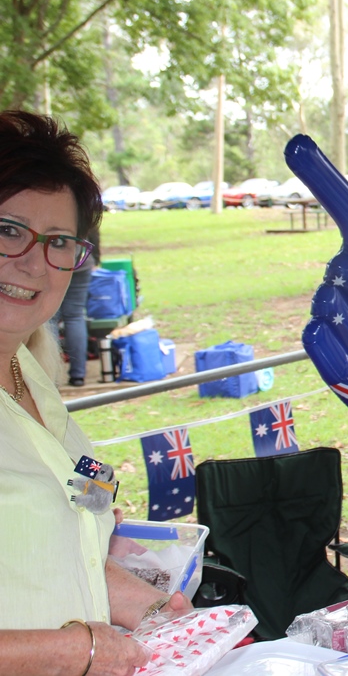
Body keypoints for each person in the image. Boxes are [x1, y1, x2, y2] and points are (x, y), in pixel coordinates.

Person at [0, 110, 192, 676]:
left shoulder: (32, 376)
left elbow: (46, 551)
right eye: (8, 230)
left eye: (59, 240)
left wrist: (161, 613)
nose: (34, 263)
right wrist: (75, 650)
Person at [52, 227, 99, 386]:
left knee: (49, 319)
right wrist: (96, 258)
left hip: (54, 262)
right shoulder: (81, 204)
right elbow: (93, 230)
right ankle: (78, 375)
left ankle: (50, 377)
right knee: (75, 316)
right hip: (82, 260)